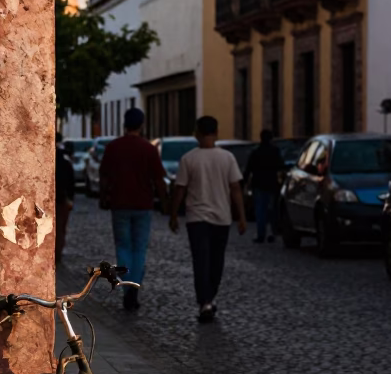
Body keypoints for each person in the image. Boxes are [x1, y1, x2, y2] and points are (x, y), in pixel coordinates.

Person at [169, 115, 246, 323]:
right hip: (221, 217)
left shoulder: (188, 159)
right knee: (216, 260)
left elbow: (180, 189)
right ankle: (208, 298)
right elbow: (236, 188)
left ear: (197, 133)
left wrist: (173, 214)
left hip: (197, 218)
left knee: (200, 260)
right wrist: (241, 216)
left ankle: (205, 301)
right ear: (216, 133)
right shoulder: (227, 158)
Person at [99, 107, 167, 311]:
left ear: (124, 124)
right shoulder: (148, 149)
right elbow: (159, 180)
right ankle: (134, 288)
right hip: (143, 205)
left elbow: (104, 177)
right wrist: (165, 202)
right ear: (141, 125)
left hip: (119, 204)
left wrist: (104, 198)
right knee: (139, 249)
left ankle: (127, 288)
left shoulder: (113, 147)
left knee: (123, 247)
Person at [244, 129, 285, 244]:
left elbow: (249, 168)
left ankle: (261, 234)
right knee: (272, 210)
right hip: (272, 183)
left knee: (260, 210)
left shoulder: (255, 152)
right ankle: (273, 232)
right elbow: (281, 165)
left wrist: (244, 181)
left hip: (259, 184)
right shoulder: (275, 151)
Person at [55, 132, 75, 266]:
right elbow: (70, 182)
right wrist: (70, 199)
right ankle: (57, 255)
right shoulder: (64, 160)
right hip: (61, 200)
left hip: (55, 199)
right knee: (60, 229)